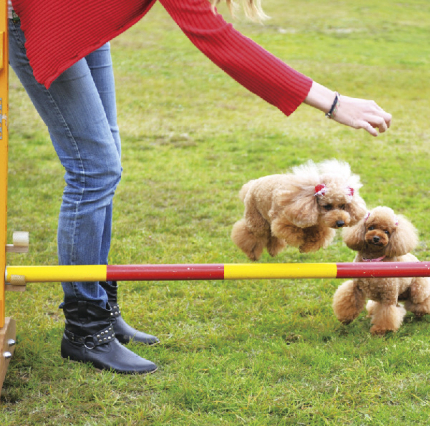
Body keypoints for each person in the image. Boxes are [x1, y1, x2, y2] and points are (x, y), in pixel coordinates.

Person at [8, 0, 392, 374]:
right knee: (94, 171)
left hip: (77, 24)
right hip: (42, 27)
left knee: (106, 167)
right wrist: (333, 102)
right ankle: (85, 329)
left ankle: (102, 308)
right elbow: (218, 40)